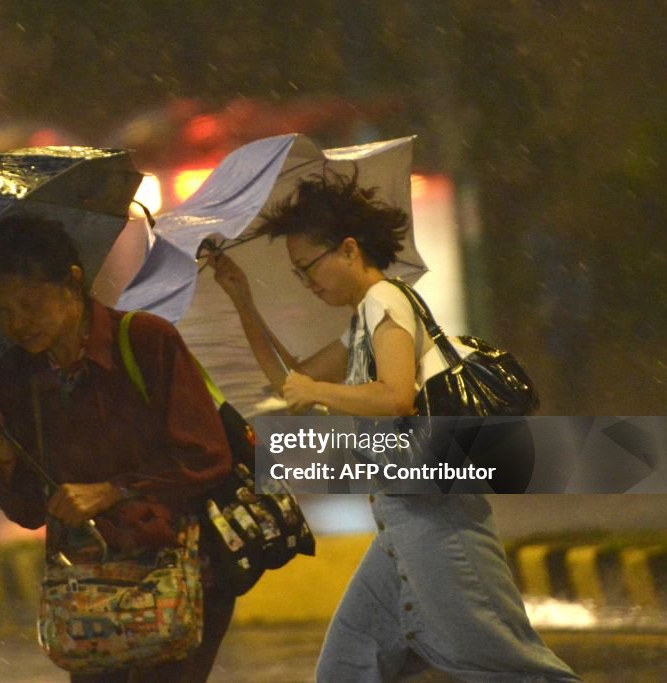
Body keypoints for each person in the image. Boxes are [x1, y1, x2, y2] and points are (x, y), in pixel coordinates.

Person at [208, 171, 580, 682]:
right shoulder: (363, 320)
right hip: (398, 528)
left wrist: (316, 393)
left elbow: (396, 396)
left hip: (439, 527)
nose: (308, 282)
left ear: (348, 250)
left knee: (510, 668)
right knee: (346, 669)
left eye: (308, 267)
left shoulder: (387, 301)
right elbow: (287, 379)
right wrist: (241, 298)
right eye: (298, 275)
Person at [0, 213, 234, 683]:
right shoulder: (17, 376)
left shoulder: (146, 342)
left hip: (178, 572)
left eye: (29, 304)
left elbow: (207, 456)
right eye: (3, 311)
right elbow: (29, 510)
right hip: (88, 588)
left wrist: (113, 490)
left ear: (72, 283)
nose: (18, 323)